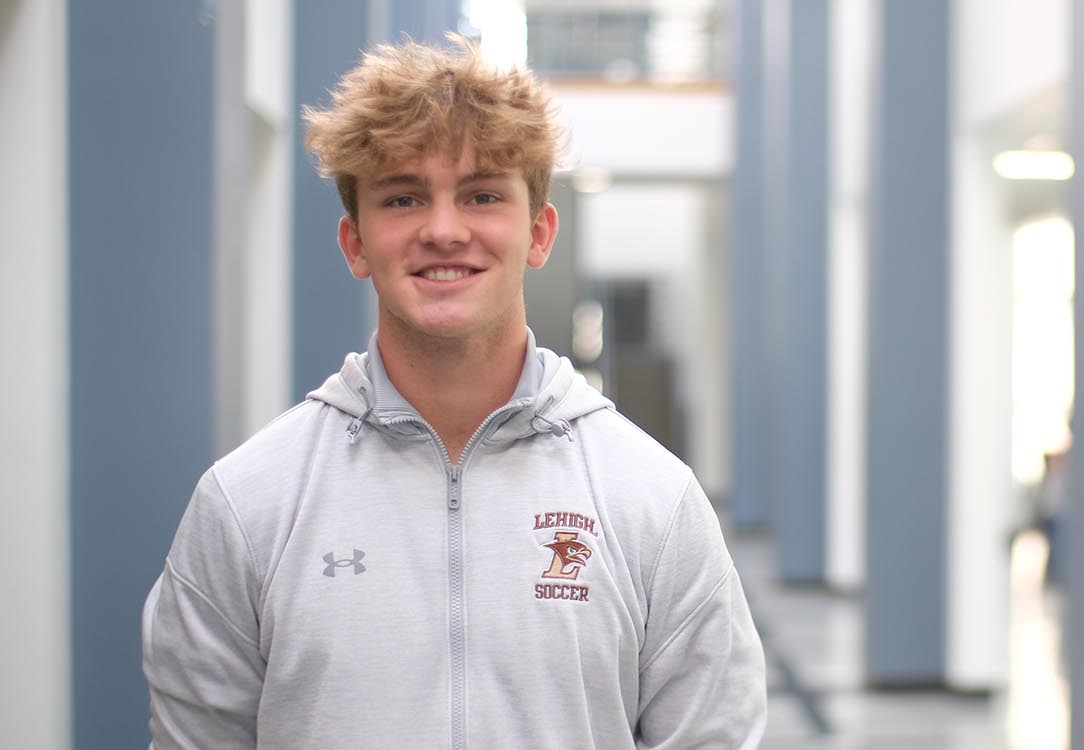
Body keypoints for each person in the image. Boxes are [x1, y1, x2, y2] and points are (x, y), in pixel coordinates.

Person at [141, 36, 766, 749]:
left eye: (482, 195)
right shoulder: (247, 504)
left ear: (538, 233)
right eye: (403, 197)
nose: (444, 230)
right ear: (355, 242)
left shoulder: (652, 499)